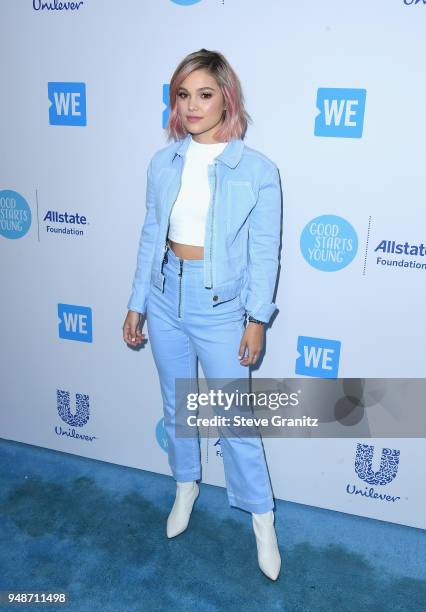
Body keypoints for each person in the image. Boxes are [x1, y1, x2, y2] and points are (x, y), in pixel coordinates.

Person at [122, 49, 282, 580]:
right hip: (166, 297)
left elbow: (264, 252)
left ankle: (262, 521)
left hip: (220, 309)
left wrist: (256, 318)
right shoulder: (163, 162)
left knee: (235, 421)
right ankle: (185, 486)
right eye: (183, 95)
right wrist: (136, 302)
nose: (192, 106)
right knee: (177, 408)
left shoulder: (256, 170)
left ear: (226, 98)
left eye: (204, 94)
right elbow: (151, 236)